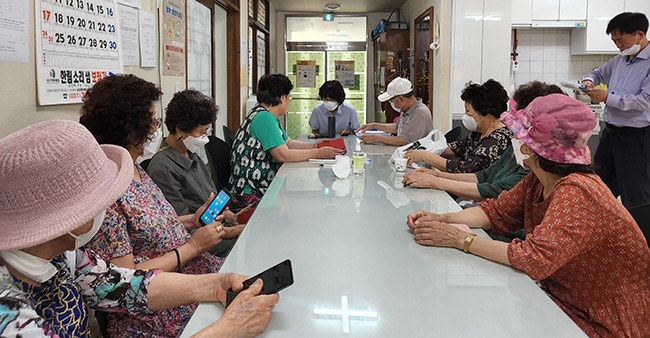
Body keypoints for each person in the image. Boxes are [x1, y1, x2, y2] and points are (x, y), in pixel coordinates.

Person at [0, 120, 278, 337]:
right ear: (65, 218)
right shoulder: (8, 312)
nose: (107, 206)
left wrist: (214, 285)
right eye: (101, 199)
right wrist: (226, 330)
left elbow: (125, 285)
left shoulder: (63, 256)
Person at [406, 94, 650, 337]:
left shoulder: (579, 191)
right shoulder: (538, 179)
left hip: (601, 321)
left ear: (529, 146)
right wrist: (441, 219)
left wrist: (460, 239)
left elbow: (533, 259)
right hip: (561, 300)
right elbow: (495, 212)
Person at [79, 75, 226, 337]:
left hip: (191, 276)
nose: (156, 127)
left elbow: (146, 225)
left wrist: (191, 221)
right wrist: (192, 247)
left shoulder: (133, 167)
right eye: (151, 119)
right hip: (156, 309)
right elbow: (125, 277)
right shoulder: (108, 190)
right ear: (130, 129)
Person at [402, 81, 563, 201]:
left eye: (468, 111)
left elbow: (488, 187)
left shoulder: (500, 143)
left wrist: (434, 177)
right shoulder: (482, 136)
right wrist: (431, 170)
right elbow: (484, 176)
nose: (514, 131)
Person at [147, 89, 247, 257]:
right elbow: (183, 228)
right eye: (201, 132)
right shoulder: (162, 168)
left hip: (217, 228)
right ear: (180, 130)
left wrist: (231, 216)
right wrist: (235, 230)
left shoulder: (190, 154)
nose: (205, 137)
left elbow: (209, 199)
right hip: (200, 242)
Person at [229, 74, 344, 204]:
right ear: (282, 98)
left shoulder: (265, 115)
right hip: (251, 192)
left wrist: (316, 146)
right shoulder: (264, 118)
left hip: (258, 185)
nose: (289, 100)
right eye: (289, 97)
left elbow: (288, 142)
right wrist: (318, 153)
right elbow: (283, 155)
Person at [581, 12, 650, 209]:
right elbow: (597, 73)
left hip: (636, 137)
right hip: (610, 134)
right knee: (601, 187)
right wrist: (589, 81)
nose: (618, 45)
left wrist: (606, 98)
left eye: (621, 39)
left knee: (636, 193)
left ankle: (641, 237)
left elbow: (645, 100)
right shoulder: (621, 59)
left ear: (639, 34)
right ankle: (602, 233)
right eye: (614, 40)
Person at [404, 79, 511, 173]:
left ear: (485, 113)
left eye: (468, 111)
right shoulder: (478, 134)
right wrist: (426, 149)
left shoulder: (497, 141)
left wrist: (427, 157)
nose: (466, 115)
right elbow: (457, 148)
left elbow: (464, 169)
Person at [356, 77, 433, 146]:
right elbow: (397, 128)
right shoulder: (406, 110)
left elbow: (406, 140)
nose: (391, 104)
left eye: (391, 101)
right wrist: (374, 125)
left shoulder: (420, 112)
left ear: (401, 99)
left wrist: (375, 138)